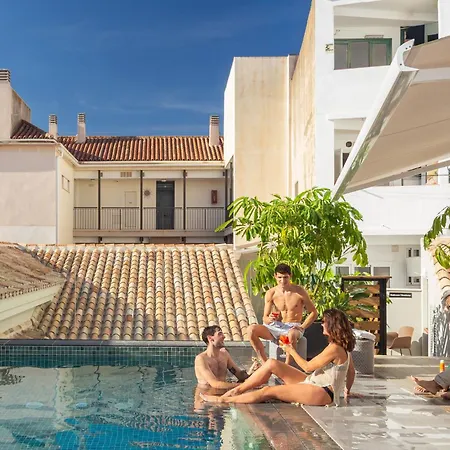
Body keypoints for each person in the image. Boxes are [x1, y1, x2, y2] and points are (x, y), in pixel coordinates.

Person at [201, 308, 357, 406]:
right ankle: (237, 390)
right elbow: (351, 371)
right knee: (271, 363)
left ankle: (224, 400)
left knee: (269, 390)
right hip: (314, 382)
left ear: (332, 325)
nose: (321, 324)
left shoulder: (335, 348)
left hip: (322, 392)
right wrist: (346, 391)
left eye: (324, 322)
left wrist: (291, 350)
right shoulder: (341, 346)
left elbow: (307, 367)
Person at [247, 263, 317, 367]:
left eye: (285, 277)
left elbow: (314, 312)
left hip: (293, 327)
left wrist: (302, 327)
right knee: (251, 330)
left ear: (290, 276)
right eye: (280, 277)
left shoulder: (299, 292)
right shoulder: (271, 293)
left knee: (292, 334)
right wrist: (270, 318)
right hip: (276, 326)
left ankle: (286, 367)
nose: (283, 281)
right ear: (275, 276)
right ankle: (265, 364)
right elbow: (265, 318)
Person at [194, 325, 249, 390]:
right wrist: (243, 385)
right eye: (219, 334)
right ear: (210, 338)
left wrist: (254, 373)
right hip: (206, 393)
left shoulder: (224, 355)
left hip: (223, 393)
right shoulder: (201, 359)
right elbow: (214, 384)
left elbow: (239, 375)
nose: (224, 336)